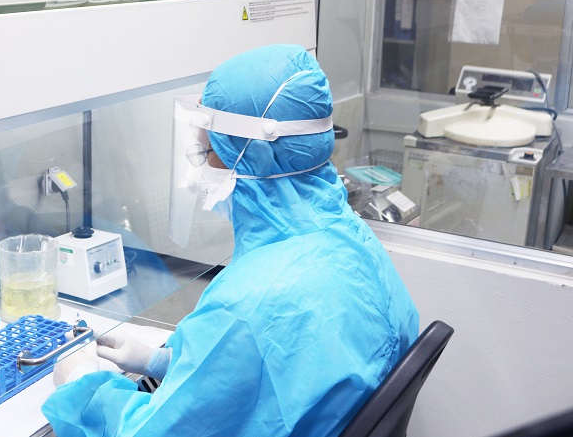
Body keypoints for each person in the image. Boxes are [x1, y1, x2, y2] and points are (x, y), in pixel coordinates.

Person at [42, 44, 419, 436]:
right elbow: (281, 371)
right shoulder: (354, 238)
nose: (201, 167)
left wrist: (82, 385)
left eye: (208, 151)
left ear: (254, 156)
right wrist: (159, 360)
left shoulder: (245, 305)